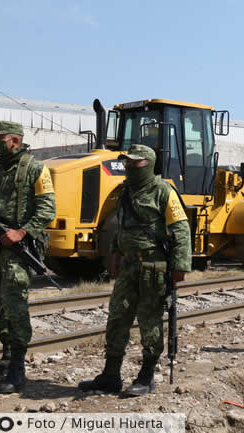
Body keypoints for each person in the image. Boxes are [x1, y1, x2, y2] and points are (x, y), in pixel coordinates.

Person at [78, 144, 191, 397]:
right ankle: (110, 376)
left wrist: (181, 266)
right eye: (127, 162)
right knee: (117, 319)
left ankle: (146, 376)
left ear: (148, 164)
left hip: (154, 268)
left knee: (149, 322)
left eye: (134, 162)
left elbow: (181, 229)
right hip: (129, 266)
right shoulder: (125, 191)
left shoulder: (163, 191)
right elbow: (122, 227)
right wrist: (116, 254)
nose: (129, 166)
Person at [0, 121, 56, 393]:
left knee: (15, 303)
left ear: (15, 141)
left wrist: (21, 232)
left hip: (20, 250)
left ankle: (18, 366)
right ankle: (6, 357)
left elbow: (47, 210)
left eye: (0, 138)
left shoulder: (35, 169)